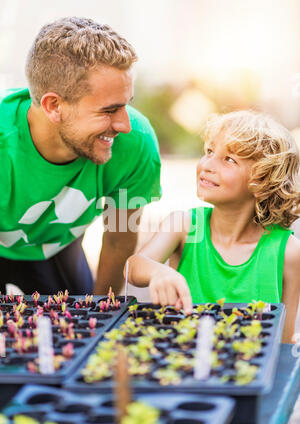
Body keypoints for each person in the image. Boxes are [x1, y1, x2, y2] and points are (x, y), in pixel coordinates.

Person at [0, 17, 161, 295]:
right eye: (109, 110)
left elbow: (118, 239)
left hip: (57, 247)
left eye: (126, 105)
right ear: (54, 106)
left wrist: (100, 315)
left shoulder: (137, 143)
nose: (125, 125)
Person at [125, 110, 300, 344]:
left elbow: (284, 339)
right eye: (209, 151)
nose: (207, 164)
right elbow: (133, 268)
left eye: (229, 159)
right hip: (184, 361)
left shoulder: (287, 252)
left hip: (251, 374)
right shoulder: (184, 226)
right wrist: (158, 271)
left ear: (262, 181)